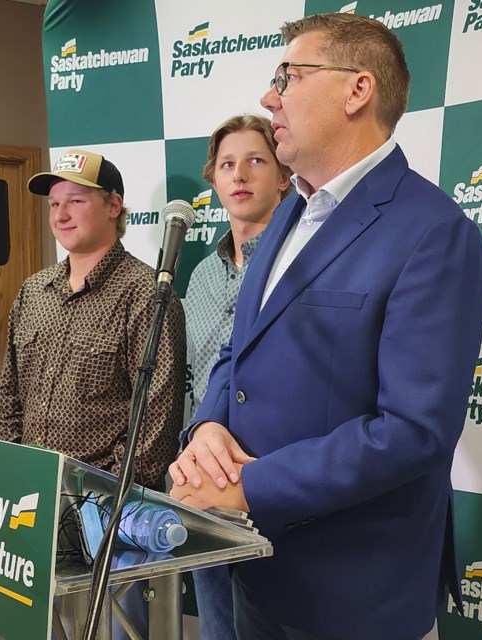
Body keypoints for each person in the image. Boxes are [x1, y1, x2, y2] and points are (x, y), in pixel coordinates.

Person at [168, 12, 482, 640]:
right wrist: (208, 422)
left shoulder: (433, 232)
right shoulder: (289, 213)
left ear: (357, 89)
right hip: (258, 570)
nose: (269, 95)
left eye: (288, 75)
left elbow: (413, 430)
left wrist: (248, 487)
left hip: (353, 594)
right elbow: (240, 348)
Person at [0, 148, 187, 639]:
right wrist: (13, 472)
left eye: (76, 201)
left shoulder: (147, 293)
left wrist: (99, 501)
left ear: (114, 206)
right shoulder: (33, 292)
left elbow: (158, 417)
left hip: (108, 517)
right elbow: (9, 395)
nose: (60, 214)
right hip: (32, 503)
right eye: (54, 204)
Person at [184, 114, 292, 640]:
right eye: (228, 164)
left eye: (256, 161)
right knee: (216, 626)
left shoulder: (300, 266)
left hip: (267, 474)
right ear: (214, 180)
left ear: (283, 176)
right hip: (203, 475)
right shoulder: (201, 275)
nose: (240, 174)